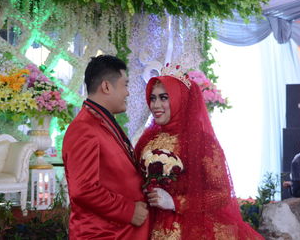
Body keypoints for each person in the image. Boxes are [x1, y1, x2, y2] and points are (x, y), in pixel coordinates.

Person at [135, 71, 264, 239]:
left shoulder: (202, 141)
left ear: (179, 99)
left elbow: (222, 194)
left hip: (194, 230)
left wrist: (176, 202)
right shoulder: (147, 140)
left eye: (164, 98)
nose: (155, 105)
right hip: (150, 226)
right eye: (153, 98)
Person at [62, 55, 149, 239]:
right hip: (103, 234)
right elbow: (83, 189)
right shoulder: (84, 128)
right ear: (106, 86)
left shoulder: (101, 121)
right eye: (125, 85)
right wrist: (129, 210)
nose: (128, 92)